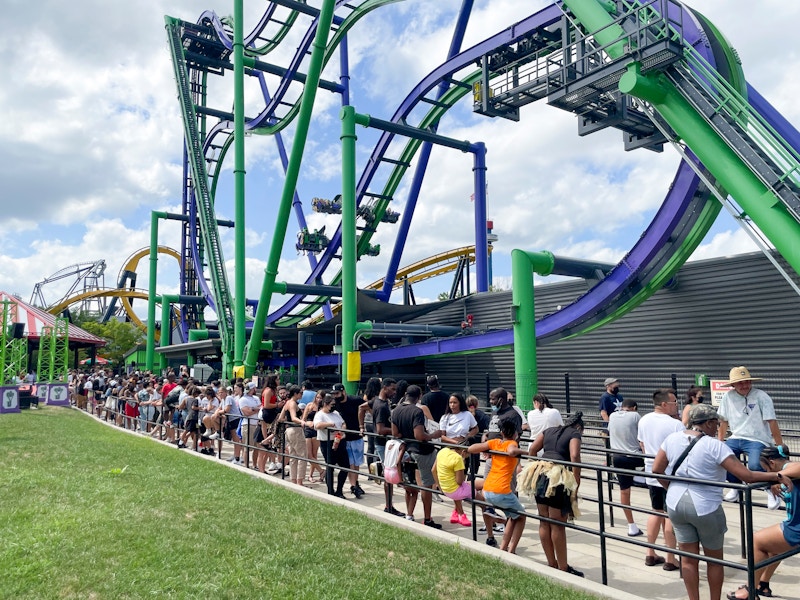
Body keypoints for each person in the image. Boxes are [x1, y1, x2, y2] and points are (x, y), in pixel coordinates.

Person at [651, 405, 780, 600]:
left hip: (676, 503)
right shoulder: (715, 445)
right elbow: (747, 475)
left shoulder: (672, 439)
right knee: (714, 561)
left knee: (688, 560)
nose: (718, 428)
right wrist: (777, 476)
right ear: (709, 423)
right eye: (717, 424)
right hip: (705, 506)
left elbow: (656, 469)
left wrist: (671, 488)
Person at [726, 446, 800, 600]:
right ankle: (762, 584)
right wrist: (775, 478)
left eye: (766, 469)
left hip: (797, 528)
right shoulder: (787, 472)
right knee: (773, 545)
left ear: (771, 463)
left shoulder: (789, 468)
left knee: (757, 540)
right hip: (794, 523)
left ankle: (749, 590)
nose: (767, 473)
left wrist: (776, 476)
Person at [524, 412, 585, 576]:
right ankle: (563, 567)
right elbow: (574, 455)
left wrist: (535, 466)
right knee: (558, 523)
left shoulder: (550, 430)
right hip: (558, 478)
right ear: (579, 427)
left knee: (544, 520)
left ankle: (552, 563)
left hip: (540, 474)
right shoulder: (575, 433)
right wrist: (576, 483)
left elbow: (533, 449)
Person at [717, 366, 784, 506]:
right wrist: (719, 442)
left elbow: (772, 421)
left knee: (755, 464)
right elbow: (723, 422)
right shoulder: (727, 397)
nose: (745, 385)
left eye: (747, 381)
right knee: (721, 459)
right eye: (740, 382)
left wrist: (779, 445)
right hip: (735, 437)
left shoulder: (761, 396)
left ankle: (770, 489)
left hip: (757, 439)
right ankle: (736, 486)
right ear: (733, 384)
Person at [638, 388, 684, 570]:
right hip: (669, 474)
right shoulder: (675, 425)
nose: (677, 405)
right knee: (669, 515)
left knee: (656, 510)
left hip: (651, 471)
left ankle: (650, 553)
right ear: (664, 404)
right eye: (674, 402)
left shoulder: (643, 420)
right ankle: (670, 558)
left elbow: (641, 444)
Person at [469, 419, 527, 552]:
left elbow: (471, 449)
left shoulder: (494, 443)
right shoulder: (512, 443)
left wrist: (488, 449)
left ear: (501, 432)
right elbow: (512, 452)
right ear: (516, 434)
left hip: (487, 490)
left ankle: (503, 548)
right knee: (522, 517)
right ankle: (511, 550)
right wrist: (527, 452)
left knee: (513, 516)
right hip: (502, 491)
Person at [391, 384, 443, 528]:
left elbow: (395, 434)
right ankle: (427, 518)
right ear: (419, 396)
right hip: (422, 451)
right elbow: (419, 435)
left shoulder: (396, 410)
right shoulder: (417, 411)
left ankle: (409, 514)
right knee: (426, 486)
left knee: (409, 484)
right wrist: (433, 435)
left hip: (406, 451)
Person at [433, 441, 496, 530]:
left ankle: (489, 521)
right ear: (464, 452)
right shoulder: (458, 458)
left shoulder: (442, 451)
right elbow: (460, 481)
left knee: (480, 484)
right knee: (484, 502)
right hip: (456, 490)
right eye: (468, 455)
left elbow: (433, 470)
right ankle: (491, 525)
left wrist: (439, 486)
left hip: (445, 488)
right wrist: (462, 460)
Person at [608, 398, 644, 537]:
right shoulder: (635, 416)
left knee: (624, 492)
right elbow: (642, 438)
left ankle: (631, 526)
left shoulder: (612, 415)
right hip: (635, 456)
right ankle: (641, 477)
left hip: (617, 457)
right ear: (634, 407)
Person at [369, 378, 404, 517]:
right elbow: (380, 429)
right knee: (389, 475)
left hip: (385, 444)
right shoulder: (381, 406)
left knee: (388, 475)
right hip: (384, 444)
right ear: (384, 388)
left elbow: (362, 407)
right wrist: (397, 431)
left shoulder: (380, 402)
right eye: (392, 389)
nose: (394, 392)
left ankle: (389, 505)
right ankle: (389, 506)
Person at [331, 383, 366, 499]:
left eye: (337, 393)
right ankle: (353, 486)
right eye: (334, 394)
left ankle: (356, 483)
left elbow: (366, 406)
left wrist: (362, 425)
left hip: (357, 436)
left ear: (343, 391)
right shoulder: (334, 404)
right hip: (345, 438)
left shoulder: (355, 400)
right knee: (350, 463)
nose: (335, 396)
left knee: (357, 463)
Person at [314, 394, 349, 498]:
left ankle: (339, 490)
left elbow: (343, 422)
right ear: (325, 404)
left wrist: (342, 428)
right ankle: (331, 491)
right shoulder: (320, 415)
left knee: (345, 467)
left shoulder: (336, 413)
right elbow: (317, 425)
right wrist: (329, 424)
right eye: (332, 404)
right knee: (330, 467)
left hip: (340, 440)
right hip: (327, 443)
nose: (334, 406)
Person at [277, 385, 308, 487]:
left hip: (288, 431)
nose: (302, 395)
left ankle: (294, 480)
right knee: (302, 456)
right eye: (300, 393)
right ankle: (299, 481)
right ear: (295, 393)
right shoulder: (293, 403)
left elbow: (281, 418)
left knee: (293, 456)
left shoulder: (287, 403)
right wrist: (303, 422)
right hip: (295, 429)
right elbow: (294, 417)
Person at [301, 389, 325, 482]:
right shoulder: (310, 405)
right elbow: (303, 419)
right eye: (317, 397)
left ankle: (310, 475)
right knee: (308, 454)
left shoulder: (323, 408)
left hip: (316, 431)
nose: (318, 399)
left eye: (320, 398)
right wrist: (307, 423)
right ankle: (321, 471)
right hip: (308, 430)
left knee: (314, 454)